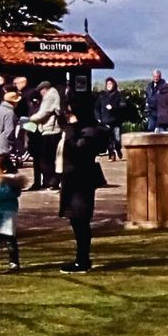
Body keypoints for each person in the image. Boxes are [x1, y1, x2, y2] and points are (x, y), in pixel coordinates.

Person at [58, 97, 110, 273]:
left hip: (81, 180)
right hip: (72, 179)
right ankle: (81, 258)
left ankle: (82, 260)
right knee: (75, 220)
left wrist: (72, 127)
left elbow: (77, 148)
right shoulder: (78, 129)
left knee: (81, 220)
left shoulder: (90, 132)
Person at [24, 81, 64, 192]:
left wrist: (30, 119)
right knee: (49, 158)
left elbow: (43, 113)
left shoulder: (50, 96)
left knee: (46, 159)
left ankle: (53, 181)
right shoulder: (53, 94)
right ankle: (51, 181)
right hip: (49, 129)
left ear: (44, 89)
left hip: (50, 130)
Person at [97, 78, 128, 161]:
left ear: (114, 85)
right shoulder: (102, 95)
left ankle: (118, 149)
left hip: (116, 121)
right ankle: (111, 155)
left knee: (117, 139)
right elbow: (97, 108)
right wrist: (98, 118)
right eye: (107, 84)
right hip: (105, 121)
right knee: (108, 140)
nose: (109, 86)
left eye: (110, 84)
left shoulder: (119, 95)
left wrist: (113, 108)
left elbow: (123, 106)